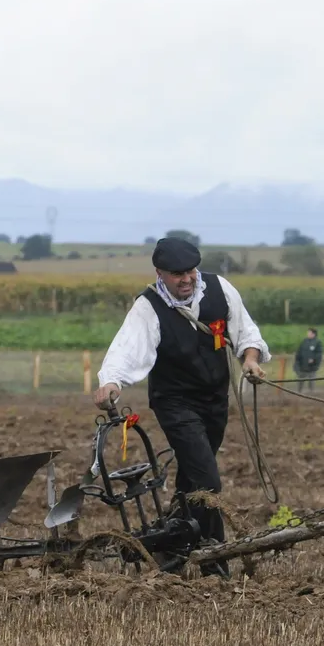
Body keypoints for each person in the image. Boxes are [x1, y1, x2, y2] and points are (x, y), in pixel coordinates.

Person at [91, 236, 270, 578]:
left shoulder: (220, 289)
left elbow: (247, 333)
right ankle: (214, 563)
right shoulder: (148, 306)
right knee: (207, 480)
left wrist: (250, 360)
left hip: (215, 399)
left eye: (190, 271)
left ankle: (174, 540)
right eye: (177, 274)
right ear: (160, 273)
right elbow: (126, 349)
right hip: (175, 402)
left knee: (192, 479)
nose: (186, 279)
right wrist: (111, 381)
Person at [293, 327, 323, 392]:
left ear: (313, 334)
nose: (308, 334)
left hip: (312, 367)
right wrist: (297, 361)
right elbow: (299, 351)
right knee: (300, 380)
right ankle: (299, 392)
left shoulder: (317, 342)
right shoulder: (304, 341)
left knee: (311, 381)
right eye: (308, 333)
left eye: (309, 333)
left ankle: (311, 393)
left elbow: (319, 354)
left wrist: (314, 359)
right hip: (303, 365)